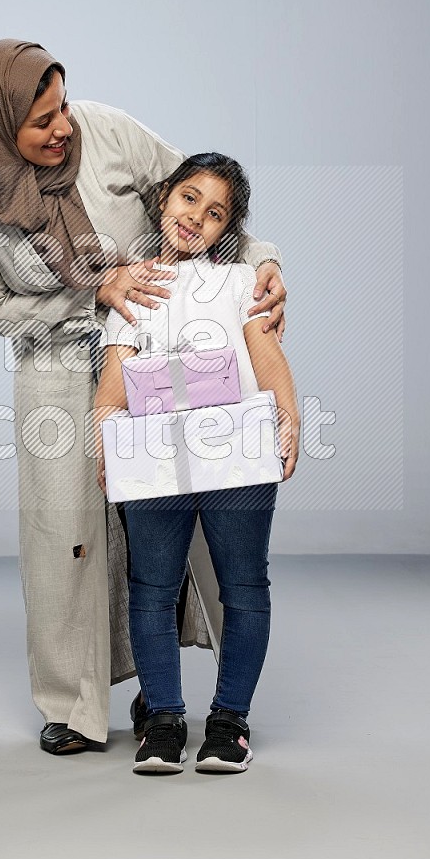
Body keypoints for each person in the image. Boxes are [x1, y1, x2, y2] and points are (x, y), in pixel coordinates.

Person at [0, 39, 287, 754]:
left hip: (171, 347)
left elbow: (199, 194)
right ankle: (72, 704)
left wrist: (264, 263)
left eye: (61, 104)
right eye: (40, 121)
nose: (62, 126)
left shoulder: (107, 132)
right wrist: (93, 294)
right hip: (58, 362)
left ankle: (185, 700)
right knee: (63, 537)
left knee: (176, 523)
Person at [93, 152, 299, 774]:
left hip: (237, 456)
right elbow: (113, 384)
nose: (196, 218)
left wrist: (288, 422)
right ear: (164, 201)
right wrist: (107, 439)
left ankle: (230, 721)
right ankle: (162, 720)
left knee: (243, 587)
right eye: (188, 199)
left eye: (215, 214)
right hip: (156, 459)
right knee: (151, 588)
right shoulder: (132, 289)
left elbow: (267, 362)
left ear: (225, 231)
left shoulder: (240, 282)